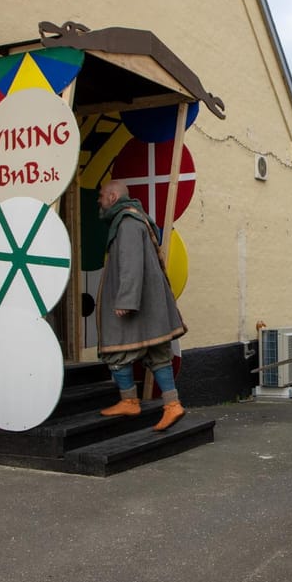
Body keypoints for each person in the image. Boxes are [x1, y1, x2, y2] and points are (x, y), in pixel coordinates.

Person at [96, 179, 188, 431]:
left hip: (137, 305)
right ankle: (172, 405)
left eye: (102, 196)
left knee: (117, 349)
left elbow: (131, 262)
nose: (99, 201)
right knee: (157, 352)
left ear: (114, 197)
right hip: (150, 304)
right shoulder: (136, 219)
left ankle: (130, 400)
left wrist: (126, 300)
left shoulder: (126, 223)